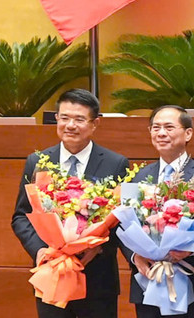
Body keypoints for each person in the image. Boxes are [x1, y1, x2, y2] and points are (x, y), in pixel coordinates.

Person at [11, 89, 130, 318]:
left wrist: (98, 246)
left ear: (95, 123)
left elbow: (125, 220)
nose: (70, 125)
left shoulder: (116, 163)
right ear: (56, 118)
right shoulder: (38, 162)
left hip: (97, 277)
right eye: (64, 118)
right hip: (51, 273)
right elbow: (20, 216)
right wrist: (40, 251)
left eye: (79, 119)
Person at [121, 105, 194, 318]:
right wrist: (135, 256)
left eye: (168, 127)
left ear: (188, 133)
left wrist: (191, 249)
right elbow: (123, 226)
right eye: (155, 128)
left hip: (191, 279)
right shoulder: (138, 177)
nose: (161, 133)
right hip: (147, 279)